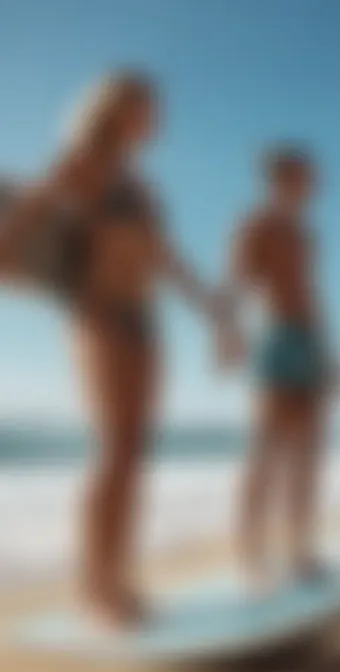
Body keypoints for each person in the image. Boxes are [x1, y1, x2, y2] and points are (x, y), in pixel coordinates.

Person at [0, 72, 227, 628]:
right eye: (148, 104)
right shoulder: (83, 159)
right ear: (117, 107)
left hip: (144, 320)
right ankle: (93, 591)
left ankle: (118, 578)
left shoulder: (141, 185)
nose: (157, 116)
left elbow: (163, 256)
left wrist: (212, 308)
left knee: (133, 453)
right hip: (99, 313)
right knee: (115, 449)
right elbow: (25, 214)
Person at [222, 146, 330, 593]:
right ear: (281, 177)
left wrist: (328, 352)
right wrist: (228, 333)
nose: (313, 185)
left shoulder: (306, 234)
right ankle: (250, 557)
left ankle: (299, 551)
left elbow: (312, 293)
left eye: (312, 178)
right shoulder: (256, 225)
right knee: (265, 451)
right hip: (276, 338)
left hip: (309, 342)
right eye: (306, 176)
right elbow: (236, 281)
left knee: (307, 453)